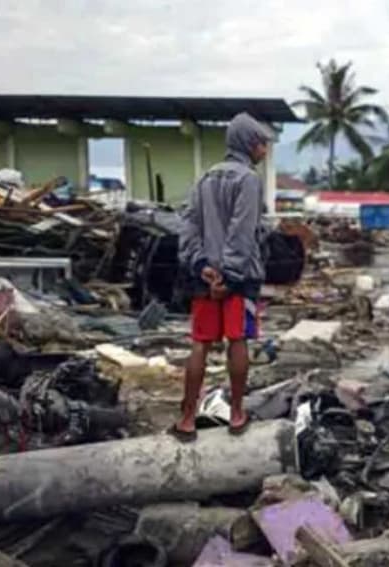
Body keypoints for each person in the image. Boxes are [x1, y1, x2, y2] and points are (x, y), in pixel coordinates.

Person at [172, 112, 272, 441]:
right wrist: (228, 276)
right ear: (249, 143)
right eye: (261, 143)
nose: (265, 150)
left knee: (200, 344)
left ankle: (187, 418)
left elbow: (188, 225)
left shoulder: (205, 178)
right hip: (237, 279)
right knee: (237, 340)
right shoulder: (249, 180)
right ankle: (237, 414)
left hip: (205, 278)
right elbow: (242, 230)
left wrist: (201, 265)